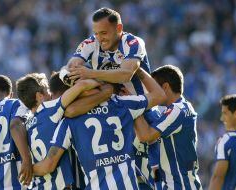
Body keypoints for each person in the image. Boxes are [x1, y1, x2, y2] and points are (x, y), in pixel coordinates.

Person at [62, 7, 155, 188]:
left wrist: (90, 74)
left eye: (104, 33)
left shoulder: (133, 42)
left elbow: (126, 74)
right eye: (96, 33)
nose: (99, 38)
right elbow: (70, 69)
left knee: (146, 176)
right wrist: (75, 72)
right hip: (111, 114)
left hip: (141, 111)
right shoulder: (91, 42)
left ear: (118, 28)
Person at [32, 68, 166, 189]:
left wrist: (26, 169)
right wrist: (137, 69)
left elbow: (49, 164)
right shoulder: (124, 104)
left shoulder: (69, 119)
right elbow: (160, 95)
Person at [15, 72, 113, 189]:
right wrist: (102, 80)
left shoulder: (27, 124)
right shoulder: (50, 109)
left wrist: (30, 169)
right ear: (39, 96)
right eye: (47, 90)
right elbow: (82, 86)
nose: (50, 94)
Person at [134, 65, 202, 189]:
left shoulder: (176, 110)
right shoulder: (184, 106)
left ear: (165, 87)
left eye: (153, 87)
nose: (151, 92)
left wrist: (133, 104)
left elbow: (145, 135)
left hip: (180, 185)